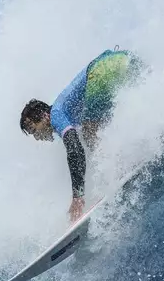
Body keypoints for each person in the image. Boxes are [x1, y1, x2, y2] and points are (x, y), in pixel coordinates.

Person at [20, 47, 143, 223]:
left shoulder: (56, 113)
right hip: (124, 60)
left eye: (33, 130)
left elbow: (74, 149)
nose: (36, 137)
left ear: (44, 116)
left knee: (89, 133)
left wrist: (78, 195)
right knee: (110, 122)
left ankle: (119, 172)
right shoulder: (68, 109)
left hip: (102, 71)